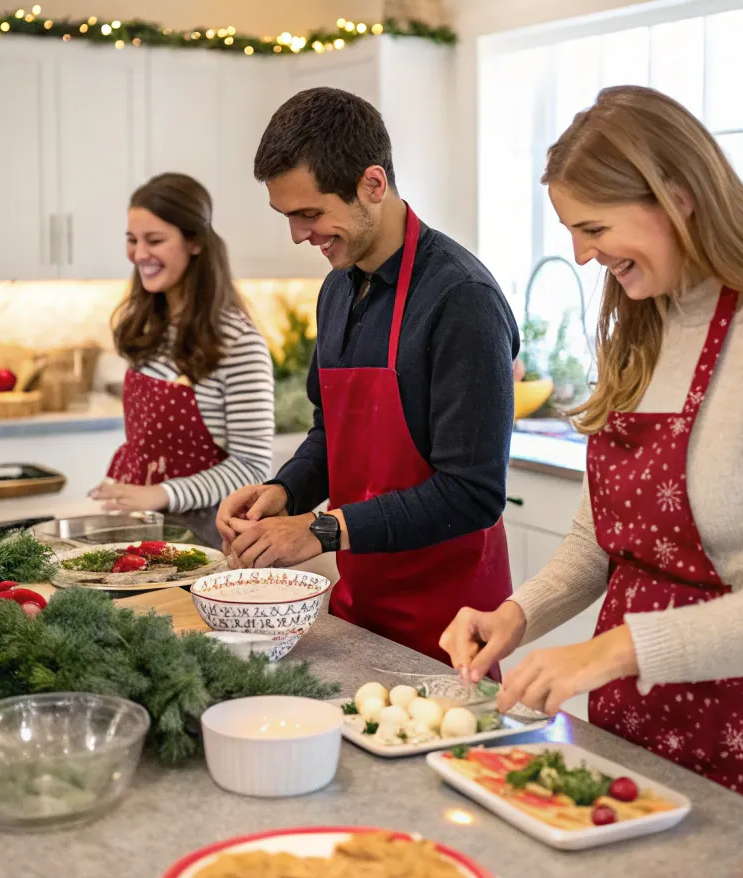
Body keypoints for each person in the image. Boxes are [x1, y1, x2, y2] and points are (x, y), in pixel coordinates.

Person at [440, 85, 743, 836]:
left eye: (593, 227)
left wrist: (613, 649)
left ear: (677, 197)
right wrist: (518, 614)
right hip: (625, 729)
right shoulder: (644, 322)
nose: (581, 254)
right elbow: (601, 538)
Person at [215, 87, 519, 668]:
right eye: (288, 216)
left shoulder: (463, 299)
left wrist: (322, 531)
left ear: (372, 185)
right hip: (361, 607)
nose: (299, 235)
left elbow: (472, 492)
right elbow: (335, 434)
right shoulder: (339, 287)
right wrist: (285, 492)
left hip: (451, 627)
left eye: (310, 213)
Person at [90, 173, 274, 548]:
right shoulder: (150, 327)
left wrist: (162, 493)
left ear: (194, 243)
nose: (139, 254)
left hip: (205, 537)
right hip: (146, 528)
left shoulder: (237, 342)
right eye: (132, 240)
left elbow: (253, 468)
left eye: (154, 240)